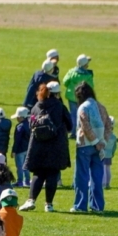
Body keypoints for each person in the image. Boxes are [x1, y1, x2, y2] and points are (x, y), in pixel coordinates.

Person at [19, 82, 71, 213]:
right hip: (56, 146)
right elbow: (70, 125)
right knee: (52, 174)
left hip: (38, 146)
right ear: (57, 93)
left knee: (38, 173)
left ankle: (31, 200)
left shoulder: (37, 106)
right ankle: (49, 204)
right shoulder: (60, 107)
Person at [72, 83, 108, 214]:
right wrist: (103, 142)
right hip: (99, 148)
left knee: (81, 177)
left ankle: (80, 206)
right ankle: (97, 206)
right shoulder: (101, 107)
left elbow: (85, 126)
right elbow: (109, 125)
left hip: (84, 145)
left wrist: (95, 141)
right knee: (97, 177)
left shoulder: (83, 107)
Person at [62, 54, 94, 137]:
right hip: (82, 97)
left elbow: (65, 81)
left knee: (73, 114)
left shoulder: (71, 72)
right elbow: (91, 86)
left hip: (71, 96)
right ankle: (80, 131)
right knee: (82, 114)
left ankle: (73, 132)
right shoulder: (88, 75)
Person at [11, 107, 31, 188]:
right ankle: (27, 181)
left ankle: (20, 182)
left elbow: (17, 140)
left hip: (20, 149)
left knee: (19, 166)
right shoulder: (30, 124)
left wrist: (14, 150)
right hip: (28, 148)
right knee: (26, 166)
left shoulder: (20, 126)